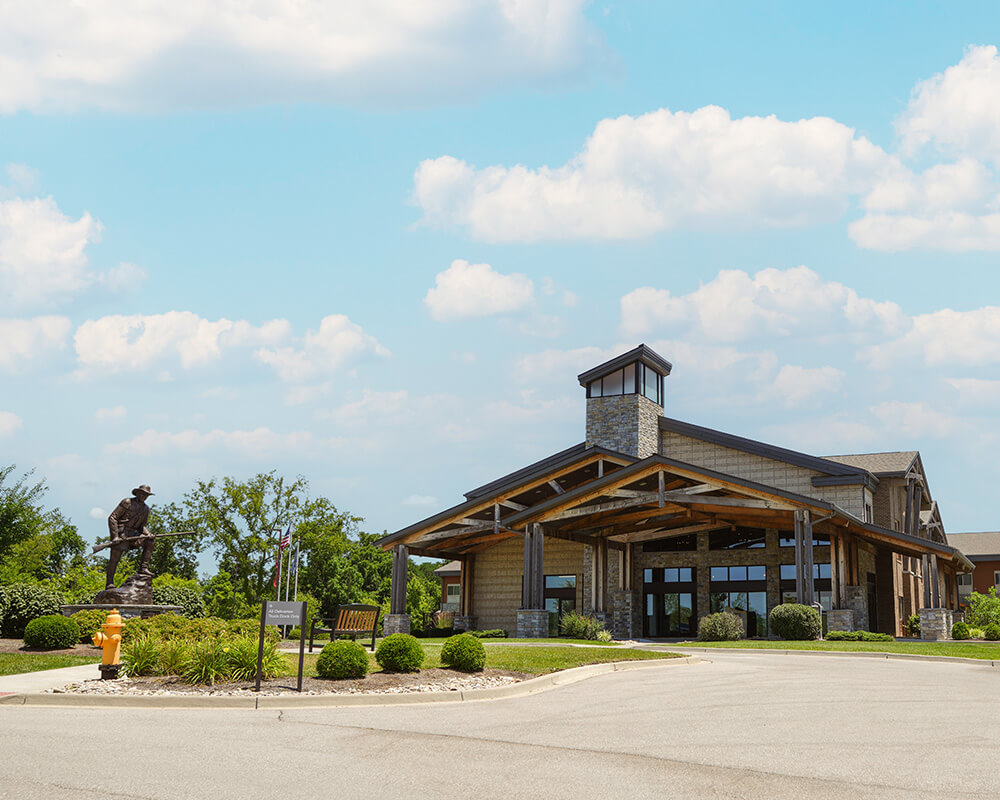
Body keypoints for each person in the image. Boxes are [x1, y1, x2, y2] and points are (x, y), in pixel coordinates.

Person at [105, 485, 156, 589]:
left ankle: (143, 568)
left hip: (134, 535)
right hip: (121, 534)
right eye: (142, 494)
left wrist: (148, 534)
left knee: (150, 541)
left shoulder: (146, 509)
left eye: (146, 495)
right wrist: (115, 536)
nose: (144, 496)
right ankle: (109, 582)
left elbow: (142, 526)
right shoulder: (127, 502)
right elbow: (113, 518)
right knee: (115, 558)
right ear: (137, 493)